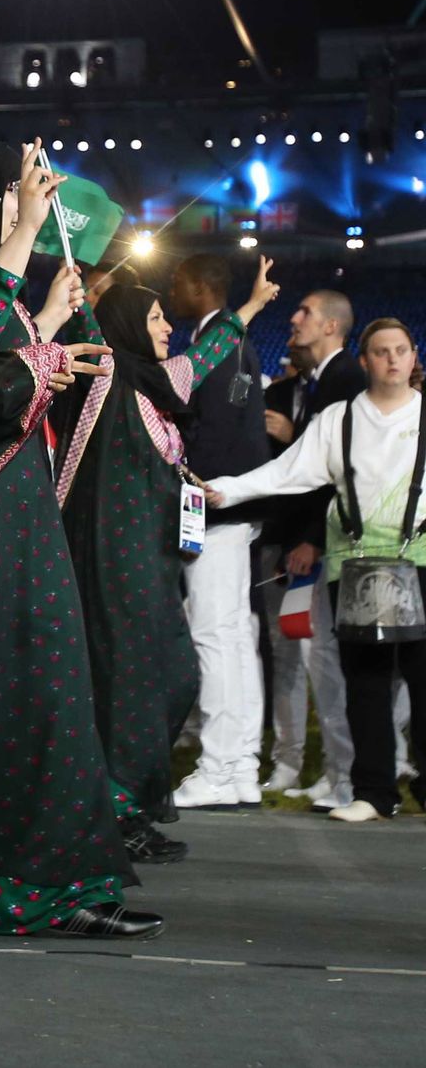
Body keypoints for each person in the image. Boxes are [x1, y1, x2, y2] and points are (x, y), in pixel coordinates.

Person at [0, 140, 158, 939]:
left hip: (9, 525)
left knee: (40, 700)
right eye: (7, 191)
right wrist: (22, 238)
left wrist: (49, 322)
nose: (18, 204)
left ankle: (55, 883)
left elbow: (2, 357)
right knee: (1, 704)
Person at [55, 261, 280, 857]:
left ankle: (124, 804)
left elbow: (206, 356)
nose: (165, 329)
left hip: (149, 564)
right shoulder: (106, 374)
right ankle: (117, 816)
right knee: (128, 685)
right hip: (110, 559)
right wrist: (78, 286)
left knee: (172, 676)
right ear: (128, 323)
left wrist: (253, 306)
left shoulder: (159, 389)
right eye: (154, 318)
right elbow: (95, 323)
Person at [209, 320, 425, 823]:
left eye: (401, 350)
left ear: (413, 357)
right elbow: (288, 473)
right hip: (354, 565)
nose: (392, 359)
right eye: (381, 352)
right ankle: (373, 793)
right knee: (364, 683)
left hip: (421, 562)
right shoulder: (338, 420)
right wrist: (231, 489)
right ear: (365, 360)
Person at [167, 255, 271, 810]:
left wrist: (189, 487)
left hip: (217, 512)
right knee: (234, 639)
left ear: (202, 287)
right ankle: (239, 768)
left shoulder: (220, 346)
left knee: (216, 638)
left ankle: (219, 766)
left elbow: (217, 438)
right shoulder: (233, 342)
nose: (171, 290)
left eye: (177, 282)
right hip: (232, 511)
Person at [261, 291, 364, 809]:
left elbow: (334, 473)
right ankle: (331, 771)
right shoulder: (316, 382)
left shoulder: (347, 379)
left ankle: (346, 775)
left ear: (328, 325)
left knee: (325, 660)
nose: (293, 319)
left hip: (324, 544)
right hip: (301, 540)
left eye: (302, 312)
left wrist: (310, 540)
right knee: (305, 655)